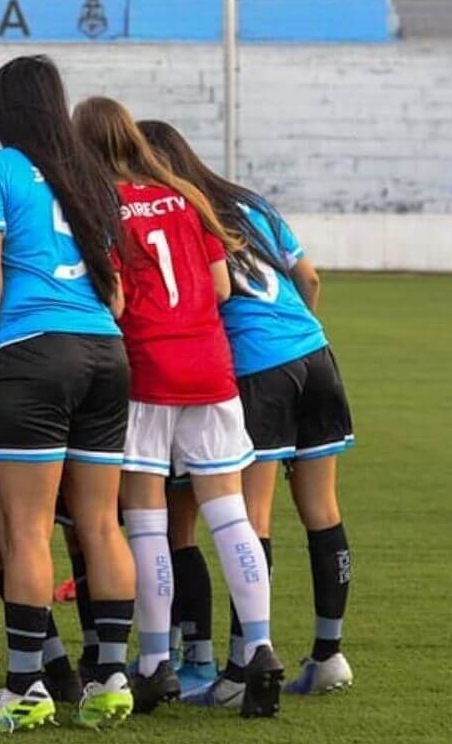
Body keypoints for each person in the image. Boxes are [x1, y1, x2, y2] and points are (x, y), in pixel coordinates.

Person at [74, 98, 284, 720]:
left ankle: (153, 663)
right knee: (229, 514)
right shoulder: (185, 194)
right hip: (210, 366)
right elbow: (221, 288)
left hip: (148, 371)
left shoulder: (102, 208)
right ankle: (263, 647)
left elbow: (112, 300)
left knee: (147, 521)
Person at [139, 120, 355, 700]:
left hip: (258, 368)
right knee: (322, 510)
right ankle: (329, 653)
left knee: (248, 518)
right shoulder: (250, 202)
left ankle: (241, 668)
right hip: (315, 353)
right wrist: (298, 330)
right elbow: (307, 276)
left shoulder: (180, 211)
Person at [0, 55, 134, 735]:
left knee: (29, 527)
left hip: (34, 353)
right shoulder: (90, 170)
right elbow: (116, 288)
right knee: (101, 525)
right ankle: (111, 678)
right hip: (105, 352)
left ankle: (26, 687)